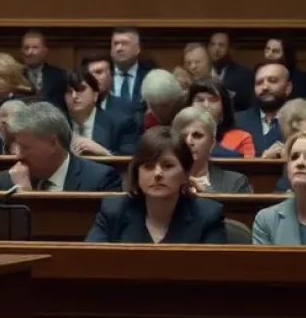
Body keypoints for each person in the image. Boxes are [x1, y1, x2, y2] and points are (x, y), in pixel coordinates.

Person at [86, 128, 227, 244]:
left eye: (167, 166)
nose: (158, 174)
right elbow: (88, 263)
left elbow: (213, 272)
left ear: (186, 173)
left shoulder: (208, 216)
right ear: (137, 174)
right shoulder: (113, 211)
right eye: (148, 166)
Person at [0, 102, 122, 192]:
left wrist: (27, 198)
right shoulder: (8, 181)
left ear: (52, 143)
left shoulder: (100, 180)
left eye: (24, 147)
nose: (18, 155)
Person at [171, 106, 252, 194]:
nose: (189, 142)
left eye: (197, 135)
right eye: (183, 136)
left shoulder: (236, 182)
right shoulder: (164, 179)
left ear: (212, 143)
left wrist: (207, 191)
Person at [63, 70, 137, 157]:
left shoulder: (121, 124)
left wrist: (105, 153)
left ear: (95, 95)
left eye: (80, 89)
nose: (74, 96)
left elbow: (129, 162)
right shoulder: (57, 125)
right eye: (69, 91)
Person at [187, 78, 255, 156]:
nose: (206, 105)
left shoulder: (242, 138)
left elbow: (247, 166)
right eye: (200, 100)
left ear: (224, 106)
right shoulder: (178, 136)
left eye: (213, 100)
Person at [236, 61, 291, 155]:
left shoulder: (302, 122)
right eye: (259, 83)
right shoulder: (237, 121)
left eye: (273, 80)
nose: (265, 87)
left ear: (288, 88)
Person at [208, 31, 255, 110]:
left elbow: (248, 106)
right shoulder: (201, 72)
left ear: (231, 50)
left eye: (221, 45)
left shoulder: (244, 75)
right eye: (213, 45)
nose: (216, 49)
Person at [80, 51, 131, 119]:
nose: (93, 77)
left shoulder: (125, 108)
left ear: (111, 75)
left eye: (99, 72)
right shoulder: (76, 105)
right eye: (90, 74)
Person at [21, 30, 66, 106]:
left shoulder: (60, 76)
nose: (30, 52)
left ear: (45, 51)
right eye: (26, 48)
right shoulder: (16, 75)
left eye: (35, 48)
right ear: (22, 51)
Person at [110, 26, 152, 106]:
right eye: (115, 44)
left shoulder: (149, 77)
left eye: (125, 43)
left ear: (137, 49)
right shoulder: (103, 76)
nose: (119, 48)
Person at [263, 35, 306, 100]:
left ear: (287, 56)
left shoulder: (301, 80)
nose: (269, 54)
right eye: (267, 49)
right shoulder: (259, 77)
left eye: (275, 51)